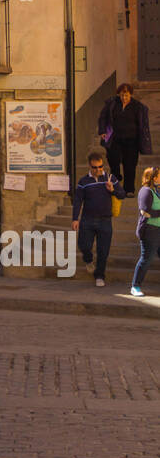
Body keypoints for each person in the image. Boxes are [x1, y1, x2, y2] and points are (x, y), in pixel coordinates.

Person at [72, 149, 125, 288]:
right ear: (90, 167)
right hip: (87, 220)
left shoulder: (110, 178)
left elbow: (122, 195)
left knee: (103, 251)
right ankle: (88, 260)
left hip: (105, 220)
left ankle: (100, 275)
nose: (98, 170)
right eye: (95, 167)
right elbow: (78, 201)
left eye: (100, 166)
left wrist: (112, 190)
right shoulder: (83, 181)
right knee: (83, 245)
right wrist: (75, 219)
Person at [98, 83, 152, 197]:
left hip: (132, 140)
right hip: (115, 138)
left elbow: (142, 124)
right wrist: (102, 131)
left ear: (130, 95)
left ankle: (129, 189)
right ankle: (116, 180)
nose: (124, 98)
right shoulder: (112, 103)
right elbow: (102, 117)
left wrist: (143, 138)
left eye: (126, 95)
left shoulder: (137, 106)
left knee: (130, 165)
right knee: (113, 160)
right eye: (122, 95)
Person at [130, 165, 160, 297]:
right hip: (149, 230)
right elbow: (145, 212)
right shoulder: (146, 191)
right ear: (154, 178)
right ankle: (135, 286)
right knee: (146, 258)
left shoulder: (157, 190)